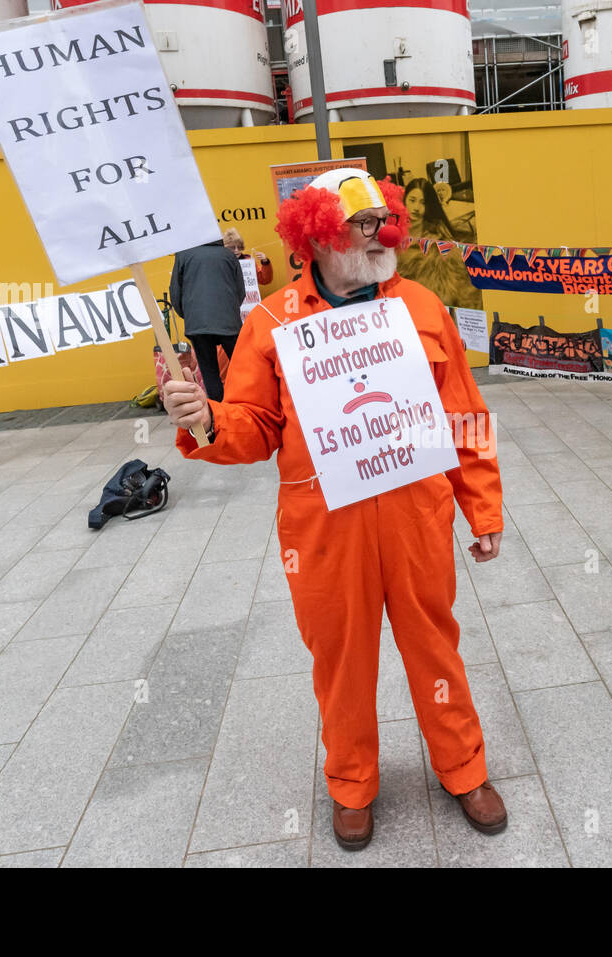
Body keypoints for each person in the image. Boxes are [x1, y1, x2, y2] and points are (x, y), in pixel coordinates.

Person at [162, 168, 507, 851]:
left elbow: (465, 413)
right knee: (341, 661)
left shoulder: (423, 307)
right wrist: (205, 419)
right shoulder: (268, 324)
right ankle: (351, 782)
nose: (384, 234)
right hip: (321, 530)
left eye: (386, 219)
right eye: (365, 223)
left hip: (416, 516)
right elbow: (255, 427)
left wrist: (484, 508)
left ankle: (464, 767)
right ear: (317, 234)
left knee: (435, 644)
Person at [168, 228, 246, 402]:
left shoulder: (183, 255)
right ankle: (245, 405)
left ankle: (219, 413)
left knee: (210, 373)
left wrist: (188, 315)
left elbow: (175, 292)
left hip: (198, 324)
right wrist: (231, 310)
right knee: (242, 367)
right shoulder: (228, 256)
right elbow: (241, 291)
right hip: (229, 322)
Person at [395, 176, 483, 311]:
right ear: (405, 200)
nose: (416, 208)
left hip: (430, 308)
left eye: (423, 203)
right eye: (412, 200)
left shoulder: (439, 242)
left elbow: (458, 287)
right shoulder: (394, 235)